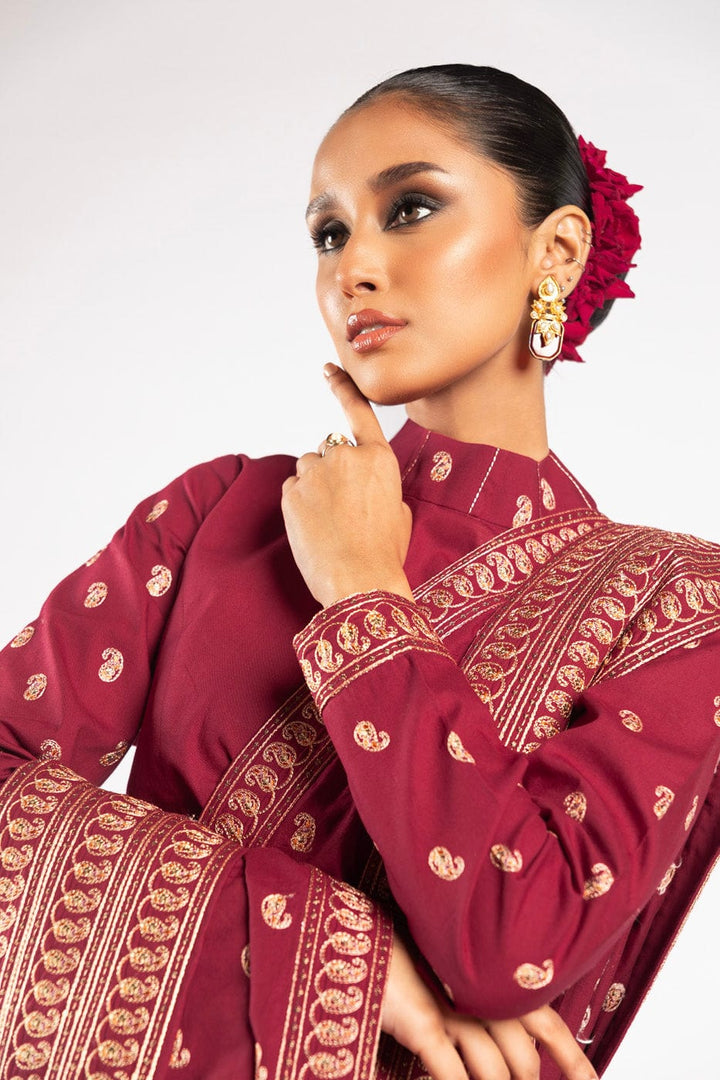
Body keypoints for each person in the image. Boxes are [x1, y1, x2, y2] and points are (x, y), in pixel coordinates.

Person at [0, 64, 717, 1080]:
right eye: (329, 233)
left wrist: (365, 596)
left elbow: (515, 944)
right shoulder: (222, 512)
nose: (354, 268)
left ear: (556, 250)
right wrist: (344, 960)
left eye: (410, 209)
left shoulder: (673, 600)